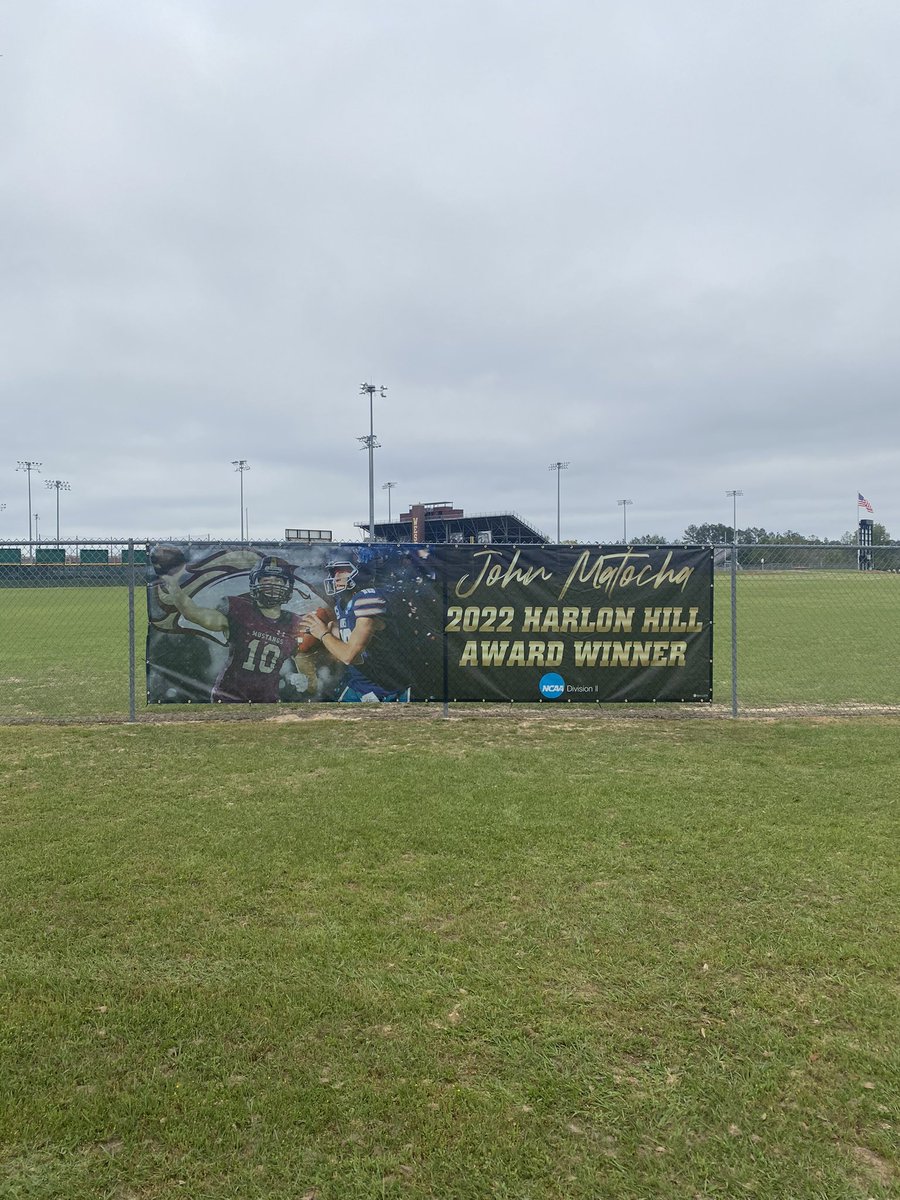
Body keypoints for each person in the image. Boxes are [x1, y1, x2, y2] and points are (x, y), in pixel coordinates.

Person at [158, 555, 318, 703]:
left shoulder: (295, 624)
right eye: (266, 580)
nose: (271, 586)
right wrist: (173, 587)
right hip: (228, 698)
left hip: (268, 701)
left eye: (277, 581)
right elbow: (193, 613)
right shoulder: (240, 611)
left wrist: (305, 682)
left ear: (287, 586)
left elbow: (311, 680)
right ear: (256, 583)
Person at [298, 557, 411, 702]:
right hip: (359, 685)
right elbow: (347, 638)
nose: (336, 577)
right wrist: (325, 628)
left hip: (387, 690)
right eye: (334, 573)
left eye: (342, 571)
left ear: (361, 571)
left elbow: (349, 655)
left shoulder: (368, 598)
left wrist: (323, 633)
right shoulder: (342, 603)